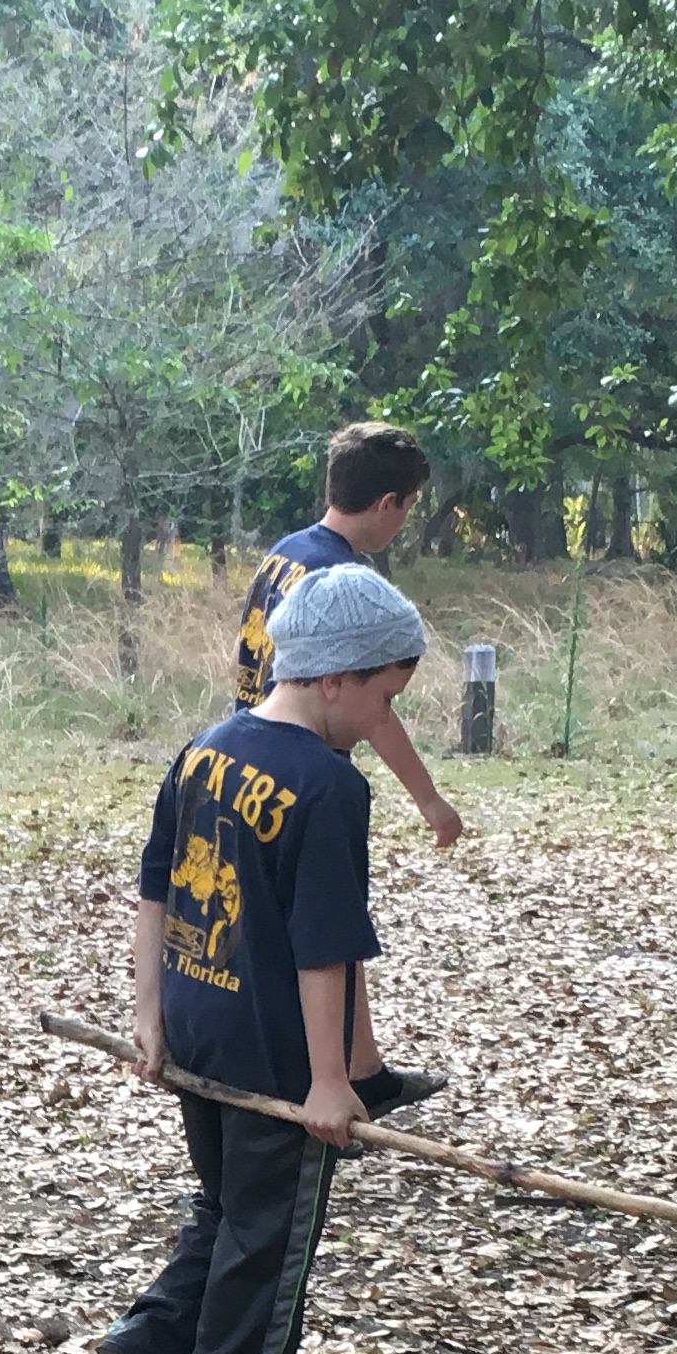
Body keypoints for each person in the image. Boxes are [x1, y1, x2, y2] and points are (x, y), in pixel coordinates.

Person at [102, 564, 424, 1354]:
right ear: (335, 679)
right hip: (278, 1058)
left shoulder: (207, 747)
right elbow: (324, 950)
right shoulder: (328, 787)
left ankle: (161, 1340)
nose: (384, 721)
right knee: (269, 1237)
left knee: (225, 1205)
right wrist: (331, 1080)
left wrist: (152, 1019)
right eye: (385, 698)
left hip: (201, 1028)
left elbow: (155, 891)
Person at [233, 420, 456, 1116]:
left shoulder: (284, 554)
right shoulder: (344, 581)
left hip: (248, 747)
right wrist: (429, 799)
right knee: (323, 929)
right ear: (387, 503)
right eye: (410, 506)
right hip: (307, 770)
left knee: (330, 921)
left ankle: (363, 1067)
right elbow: (375, 710)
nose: (406, 520)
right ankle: (326, 1075)